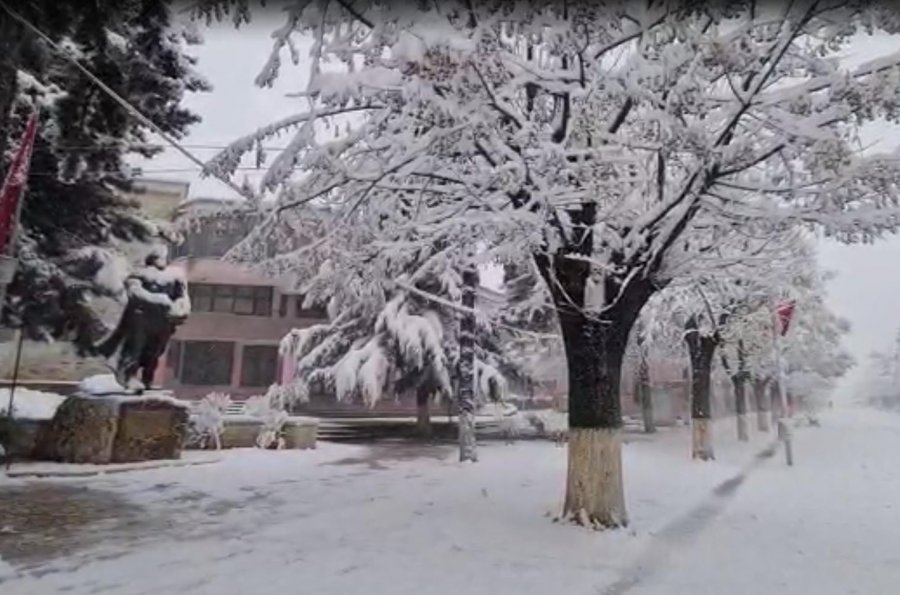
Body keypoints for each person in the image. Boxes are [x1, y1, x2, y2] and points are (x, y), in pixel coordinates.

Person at [95, 251, 189, 393]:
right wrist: (160, 300)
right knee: (135, 349)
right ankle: (130, 378)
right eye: (158, 257)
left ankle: (147, 380)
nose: (161, 260)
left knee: (155, 352)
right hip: (140, 319)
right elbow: (135, 293)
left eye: (163, 257)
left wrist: (181, 309)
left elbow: (182, 297)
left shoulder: (175, 276)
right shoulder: (138, 275)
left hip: (163, 321)